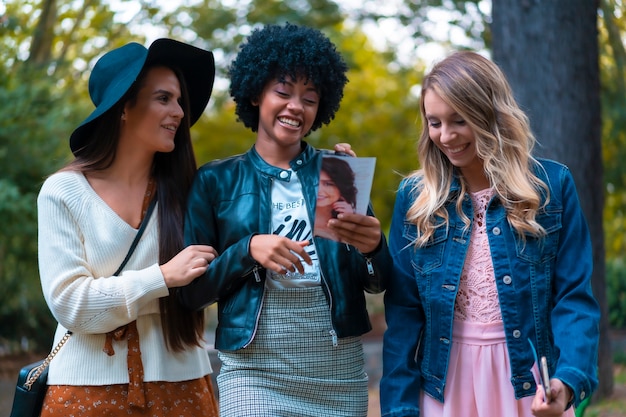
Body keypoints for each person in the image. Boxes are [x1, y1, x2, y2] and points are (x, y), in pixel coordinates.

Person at [179, 23, 393, 417]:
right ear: (257, 93)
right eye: (283, 91)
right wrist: (246, 250)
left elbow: (377, 282)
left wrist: (374, 247)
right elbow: (191, 294)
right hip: (253, 372)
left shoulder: (339, 172)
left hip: (337, 375)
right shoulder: (216, 180)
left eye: (309, 98)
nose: (296, 106)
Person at [380, 51, 600, 417]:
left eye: (459, 121)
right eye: (434, 123)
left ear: (489, 114)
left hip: (528, 385)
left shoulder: (551, 187)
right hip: (443, 386)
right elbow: (404, 314)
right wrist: (400, 408)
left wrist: (568, 380)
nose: (445, 136)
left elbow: (574, 298)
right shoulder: (416, 199)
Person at [37, 38, 219, 416]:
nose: (180, 112)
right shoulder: (63, 191)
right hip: (84, 391)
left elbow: (224, 269)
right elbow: (71, 304)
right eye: (164, 99)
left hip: (184, 385)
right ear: (124, 107)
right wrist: (163, 278)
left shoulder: (189, 192)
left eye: (180, 101)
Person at [314, 156, 358, 240]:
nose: (319, 190)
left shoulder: (353, 216)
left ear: (342, 187)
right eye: (314, 182)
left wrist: (351, 220)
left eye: (328, 184)